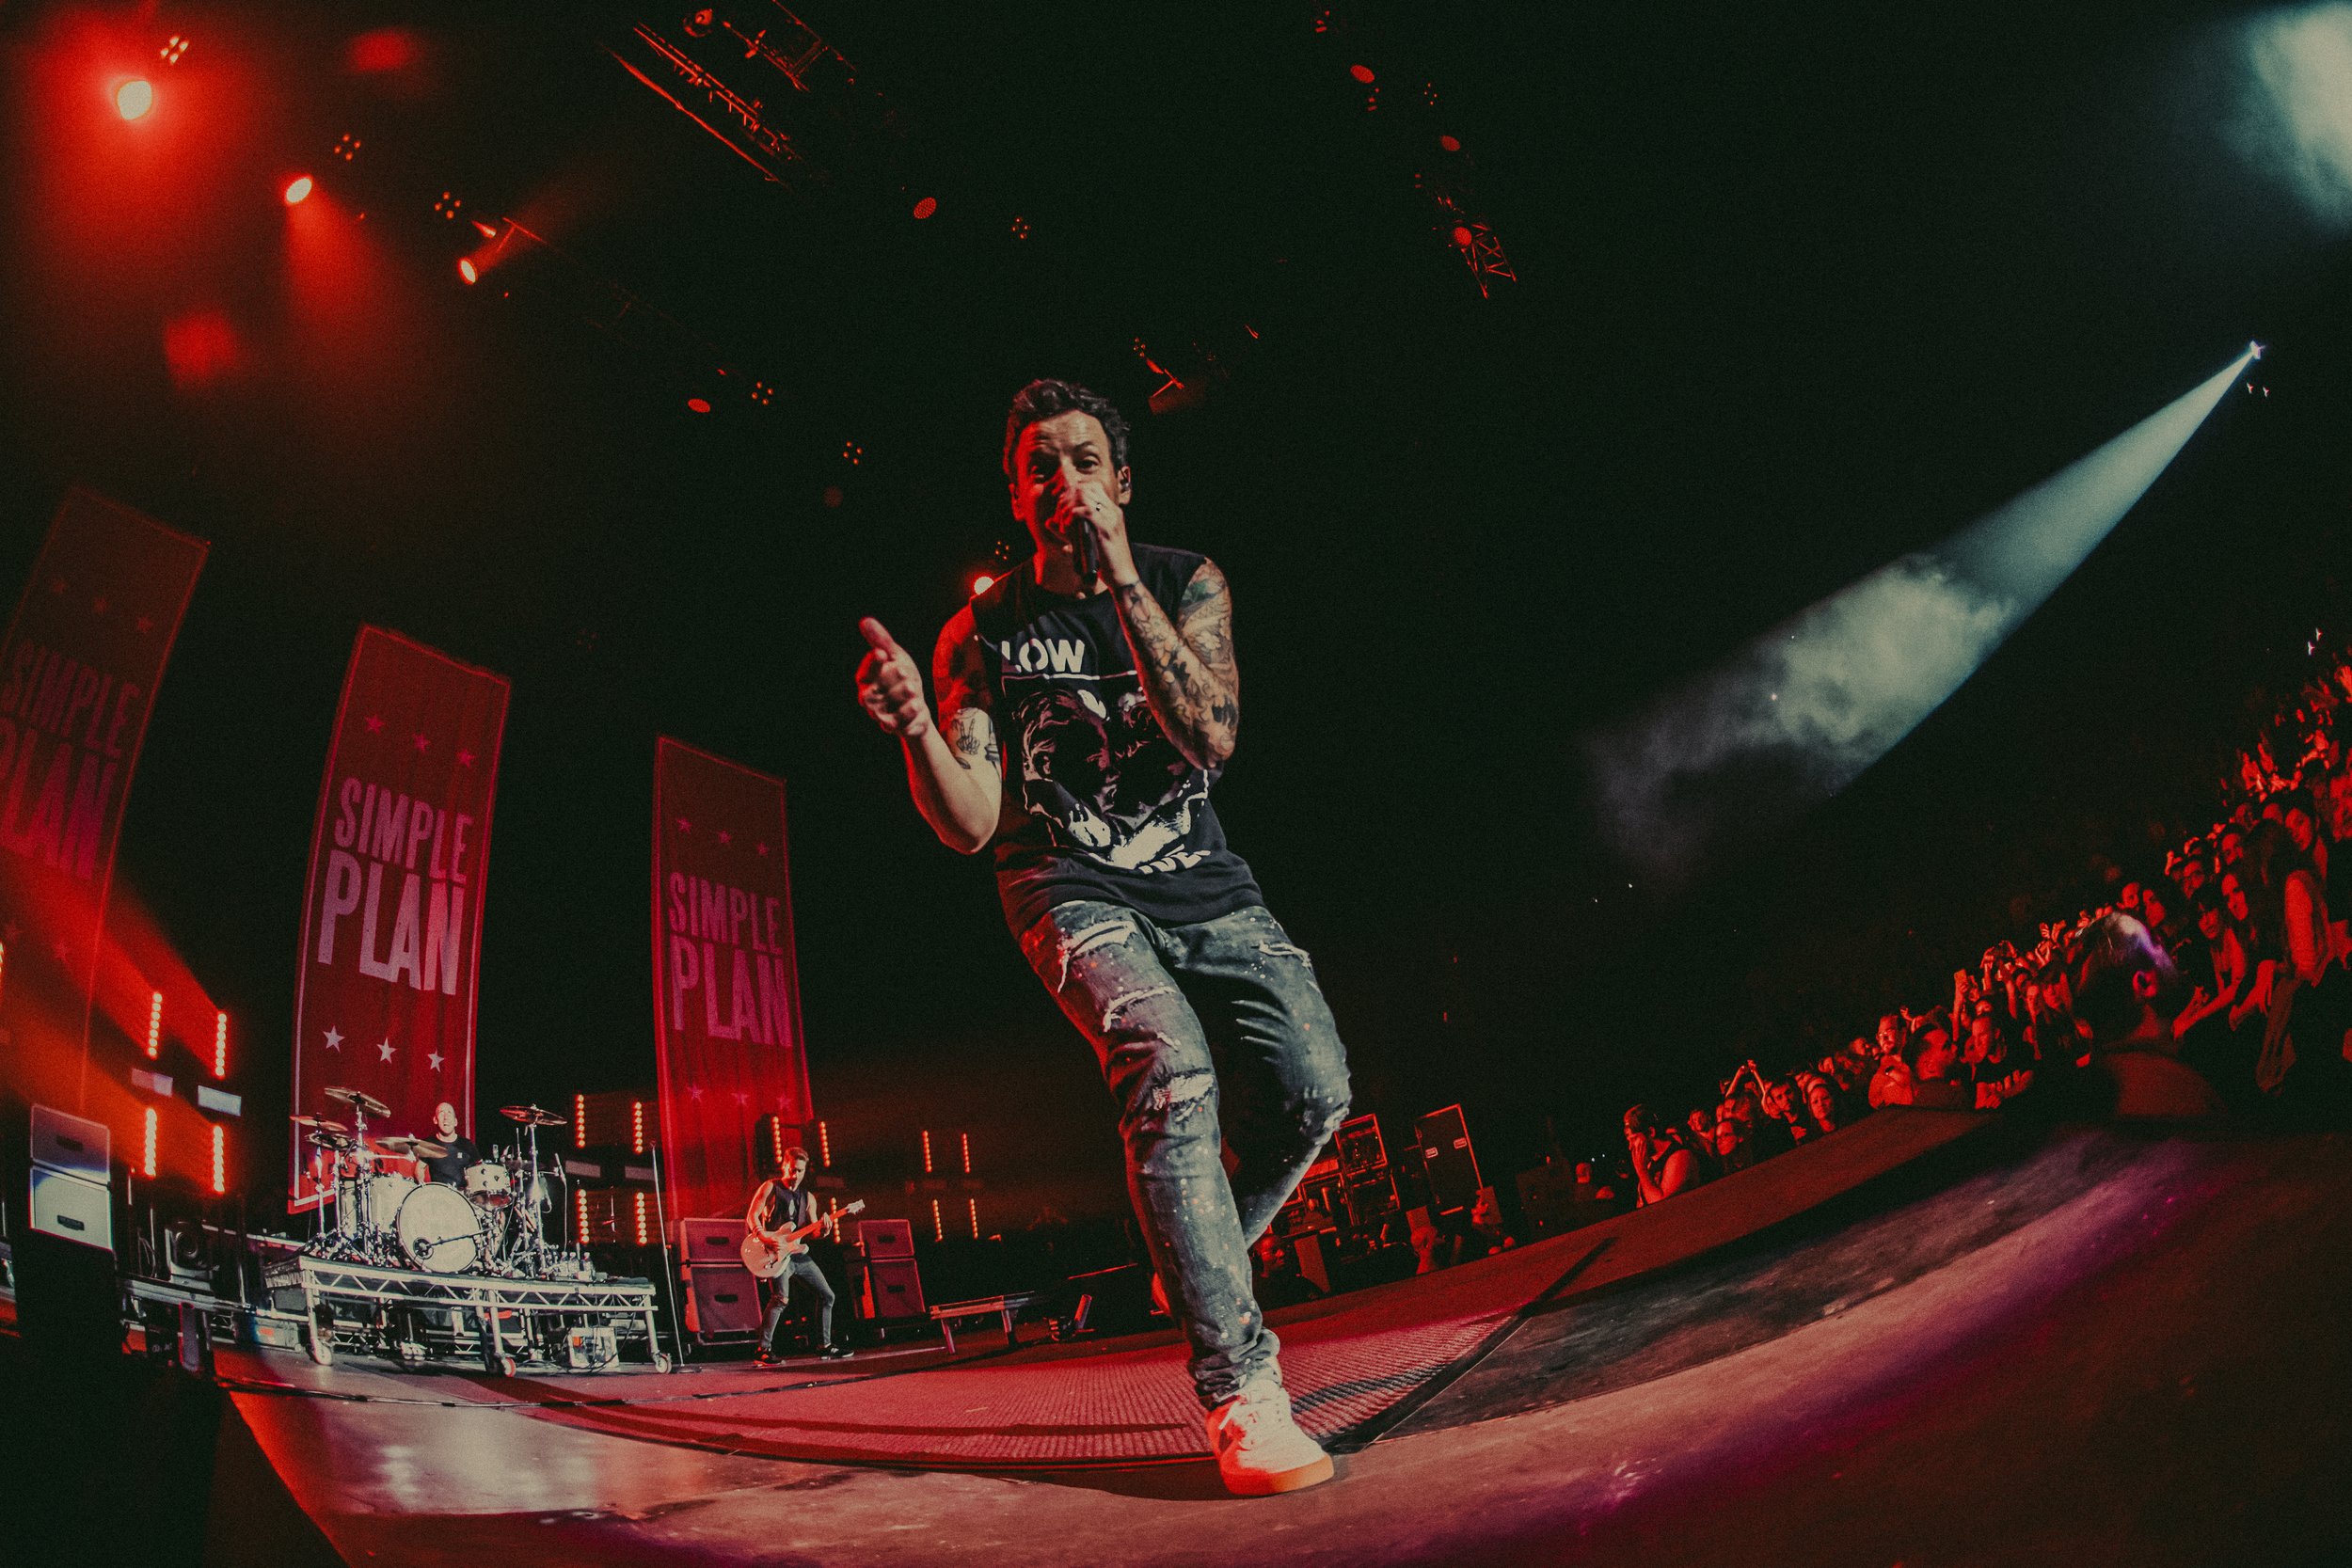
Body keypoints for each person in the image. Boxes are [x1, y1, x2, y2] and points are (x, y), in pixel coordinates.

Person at [851, 378, 1348, 1497]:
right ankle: (1241, 1391)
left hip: (1203, 879)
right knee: (1169, 1069)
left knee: (1316, 1092)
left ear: (1119, 482)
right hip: (1067, 884)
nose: (1058, 480)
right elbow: (971, 821)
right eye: (1036, 466)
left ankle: (1195, 1240)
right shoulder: (982, 630)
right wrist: (917, 730)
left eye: (1080, 459)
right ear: (1017, 497)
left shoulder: (1184, 579)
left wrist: (1121, 577)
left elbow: (1211, 738)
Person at [745, 1147, 849, 1365]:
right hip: (775, 1253)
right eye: (792, 1170)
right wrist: (762, 1236)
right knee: (781, 1299)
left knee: (827, 1295)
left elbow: (814, 1229)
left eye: (800, 1171)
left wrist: (825, 1229)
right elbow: (752, 1215)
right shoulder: (770, 1187)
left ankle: (825, 1346)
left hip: (798, 1254)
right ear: (784, 1166)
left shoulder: (807, 1197)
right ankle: (763, 1350)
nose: (796, 1175)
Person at [417, 1102, 481, 1187]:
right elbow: (419, 1168)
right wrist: (423, 1187)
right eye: (441, 1113)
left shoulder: (467, 1145)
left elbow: (479, 1170)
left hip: (462, 1196)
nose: (446, 1117)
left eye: (449, 1113)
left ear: (455, 1122)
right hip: (439, 1195)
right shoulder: (428, 1144)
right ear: (435, 1120)